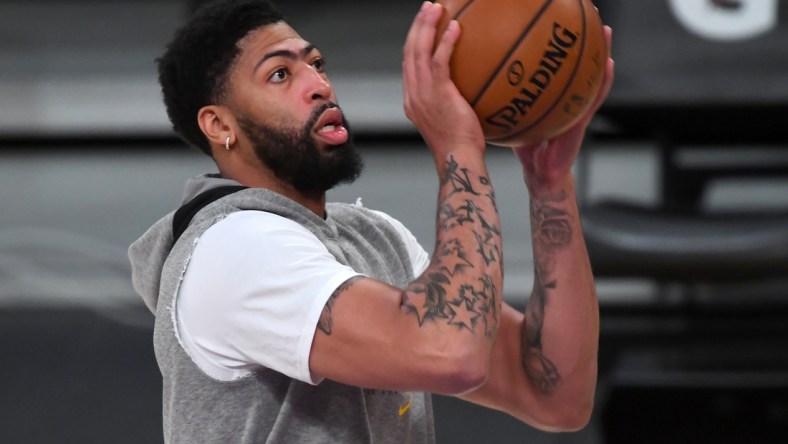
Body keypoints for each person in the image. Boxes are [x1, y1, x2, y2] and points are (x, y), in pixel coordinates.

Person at [128, 0, 614, 442]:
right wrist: (458, 149)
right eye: (280, 75)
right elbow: (452, 355)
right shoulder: (230, 248)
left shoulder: (376, 239)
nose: (318, 85)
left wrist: (549, 187)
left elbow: (556, 394)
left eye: (316, 65)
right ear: (219, 125)